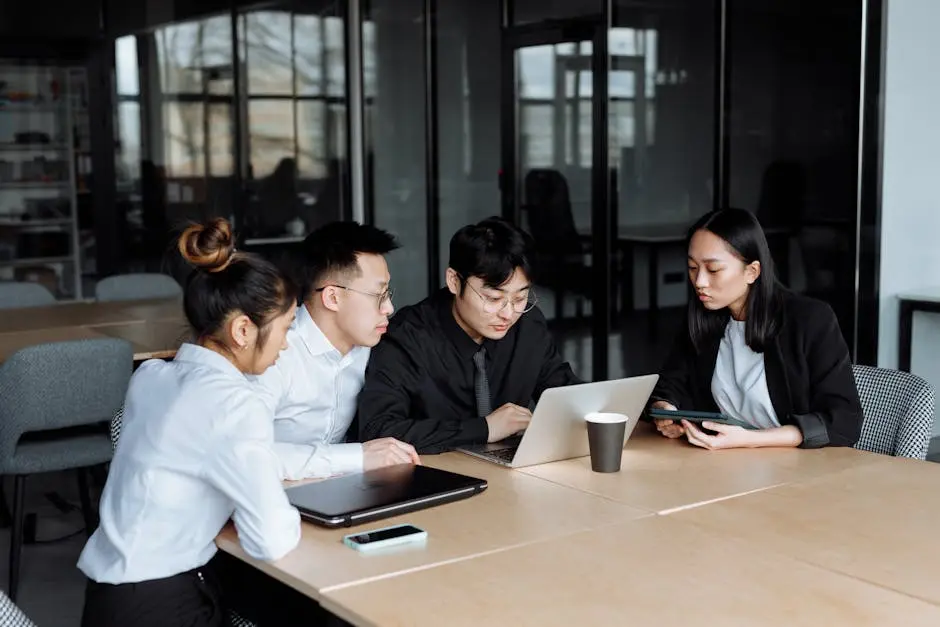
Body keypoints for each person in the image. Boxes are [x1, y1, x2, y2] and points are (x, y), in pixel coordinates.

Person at [77, 218, 302, 626]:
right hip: (166, 605)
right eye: (286, 329)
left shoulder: (150, 378)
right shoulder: (233, 404)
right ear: (242, 330)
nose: (286, 344)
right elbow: (270, 539)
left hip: (108, 602)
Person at [357, 216, 581, 454]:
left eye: (519, 298)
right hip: (435, 476)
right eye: (494, 298)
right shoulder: (407, 338)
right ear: (454, 281)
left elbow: (565, 394)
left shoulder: (528, 326)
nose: (508, 313)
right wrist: (484, 429)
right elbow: (378, 429)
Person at [649, 208, 863, 450]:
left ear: (752, 271)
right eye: (692, 268)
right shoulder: (703, 319)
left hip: (797, 469)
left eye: (713, 270)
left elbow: (845, 421)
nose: (700, 282)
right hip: (722, 466)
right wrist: (667, 410)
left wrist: (749, 440)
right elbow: (671, 385)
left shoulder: (809, 320)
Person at [252, 221, 420, 478]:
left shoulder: (370, 346)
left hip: (341, 491)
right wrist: (359, 457)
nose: (389, 309)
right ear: (332, 297)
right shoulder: (275, 353)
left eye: (388, 294)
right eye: (379, 295)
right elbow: (247, 454)